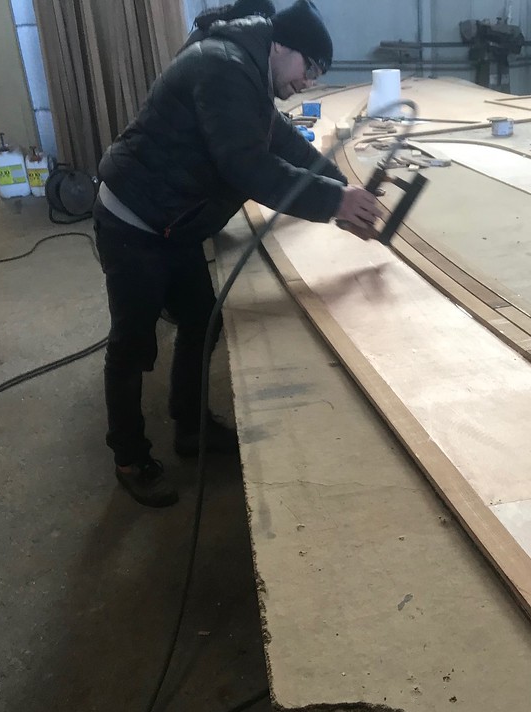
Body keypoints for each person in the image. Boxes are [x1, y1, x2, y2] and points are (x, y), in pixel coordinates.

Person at [94, 0, 381, 507]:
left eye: (316, 76)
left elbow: (284, 143)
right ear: (282, 46)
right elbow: (249, 168)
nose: (307, 83)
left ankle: (190, 426)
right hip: (135, 219)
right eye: (309, 69)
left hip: (174, 222)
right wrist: (336, 203)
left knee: (201, 319)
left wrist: (341, 189)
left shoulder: (246, 67)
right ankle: (129, 458)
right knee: (132, 345)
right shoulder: (224, 66)